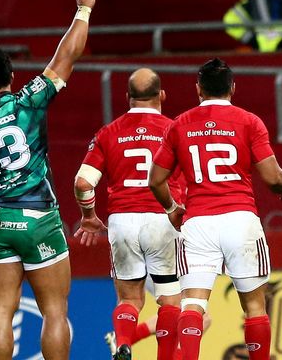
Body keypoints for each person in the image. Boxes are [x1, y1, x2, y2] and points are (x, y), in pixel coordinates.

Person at [0, 0, 97, 360]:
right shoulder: (28, 99)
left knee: (0, 309)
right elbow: (67, 56)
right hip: (38, 217)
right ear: (12, 77)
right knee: (54, 310)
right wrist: (84, 9)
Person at [148, 58, 282, 360]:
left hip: (198, 222)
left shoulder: (179, 125)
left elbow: (156, 179)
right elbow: (272, 177)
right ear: (233, 88)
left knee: (193, 303)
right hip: (240, 219)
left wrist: (172, 208)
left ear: (198, 89)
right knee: (254, 306)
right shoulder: (249, 121)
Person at [73, 68, 183, 360]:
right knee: (170, 299)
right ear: (161, 95)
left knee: (130, 298)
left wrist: (88, 216)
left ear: (127, 98)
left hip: (122, 220)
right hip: (163, 217)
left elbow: (83, 183)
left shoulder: (108, 133)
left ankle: (124, 343)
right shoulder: (175, 129)